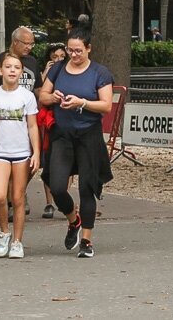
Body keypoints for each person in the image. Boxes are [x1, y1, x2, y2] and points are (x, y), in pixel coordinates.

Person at [39, 28, 114, 258]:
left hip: (88, 135)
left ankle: (86, 241)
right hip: (62, 134)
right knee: (57, 185)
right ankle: (74, 220)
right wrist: (54, 98)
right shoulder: (59, 68)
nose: (73, 55)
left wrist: (82, 102)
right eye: (69, 50)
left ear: (89, 48)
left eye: (78, 51)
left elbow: (106, 105)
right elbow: (42, 95)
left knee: (86, 188)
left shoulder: (99, 72)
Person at [0, 53, 40, 259]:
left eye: (16, 67)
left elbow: (32, 126)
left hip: (22, 154)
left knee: (17, 198)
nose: (12, 70)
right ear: (0, 71)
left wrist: (36, 152)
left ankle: (17, 241)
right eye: (8, 66)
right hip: (0, 154)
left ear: (21, 72)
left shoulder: (27, 96)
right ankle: (4, 232)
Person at [0, 27, 41, 214]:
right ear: (15, 41)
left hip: (26, 119)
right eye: (27, 43)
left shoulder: (31, 62)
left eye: (32, 43)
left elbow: (38, 88)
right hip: (3, 120)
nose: (30, 47)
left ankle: (18, 194)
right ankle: (8, 201)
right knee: (3, 166)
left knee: (29, 163)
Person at [39, 43, 67, 218]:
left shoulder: (70, 72)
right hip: (49, 121)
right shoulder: (49, 74)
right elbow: (41, 93)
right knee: (49, 162)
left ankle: (64, 197)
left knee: (67, 162)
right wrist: (45, 73)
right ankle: (49, 202)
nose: (58, 60)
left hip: (67, 119)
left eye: (61, 56)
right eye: (54, 57)